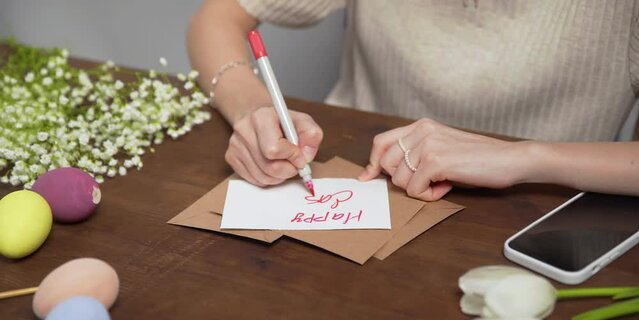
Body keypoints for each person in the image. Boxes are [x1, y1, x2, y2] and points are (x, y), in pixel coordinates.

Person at [187, 0, 639, 201]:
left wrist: (526, 156)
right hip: (354, 169)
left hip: (541, 211)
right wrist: (251, 107)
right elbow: (218, 16)